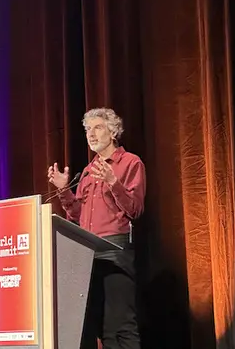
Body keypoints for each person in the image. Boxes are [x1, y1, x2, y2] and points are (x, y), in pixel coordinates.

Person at [47, 107, 146, 349]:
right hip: (87, 253)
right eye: (87, 129)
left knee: (119, 325)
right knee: (96, 326)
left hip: (115, 250)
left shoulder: (130, 163)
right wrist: (64, 190)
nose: (91, 134)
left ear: (113, 132)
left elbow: (135, 209)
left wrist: (113, 182)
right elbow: (77, 217)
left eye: (97, 127)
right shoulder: (89, 172)